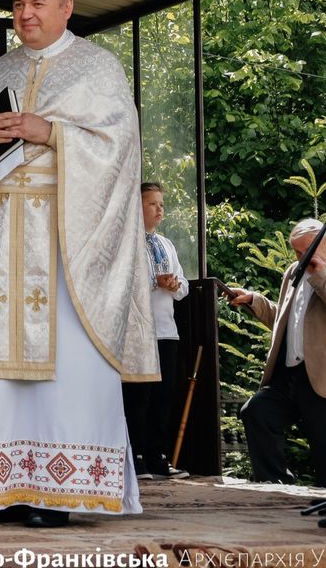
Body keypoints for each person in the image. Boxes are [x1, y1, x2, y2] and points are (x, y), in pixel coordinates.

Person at [0, 0, 157, 528]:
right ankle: (3, 488)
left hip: (65, 244)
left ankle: (58, 493)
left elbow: (120, 143)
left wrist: (51, 131)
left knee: (68, 364)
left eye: (37, 3)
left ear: (66, 8)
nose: (25, 13)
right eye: (17, 5)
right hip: (1, 239)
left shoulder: (97, 66)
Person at [228, 218, 326, 488]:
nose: (301, 259)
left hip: (322, 374)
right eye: (297, 253)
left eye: (307, 251)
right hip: (288, 373)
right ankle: (276, 485)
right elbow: (283, 320)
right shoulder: (293, 271)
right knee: (256, 412)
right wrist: (254, 301)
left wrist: (321, 276)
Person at [123, 182, 190, 481]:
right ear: (138, 207)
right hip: (137, 330)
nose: (159, 209)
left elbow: (184, 285)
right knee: (139, 395)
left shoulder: (167, 244)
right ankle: (135, 456)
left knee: (164, 395)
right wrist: (153, 283)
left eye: (161, 203)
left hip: (166, 330)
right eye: (152, 203)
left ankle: (158, 455)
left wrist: (175, 286)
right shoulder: (126, 243)